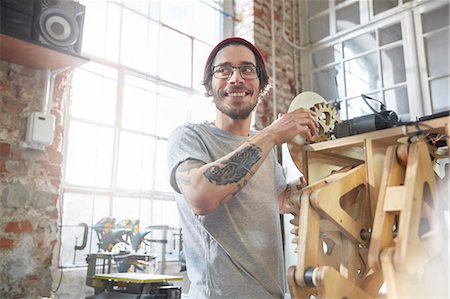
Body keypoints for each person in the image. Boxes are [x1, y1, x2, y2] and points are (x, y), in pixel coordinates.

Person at [167, 37, 319, 299]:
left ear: (261, 85)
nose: (236, 78)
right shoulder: (189, 136)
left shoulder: (265, 150)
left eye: (247, 70)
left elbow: (280, 201)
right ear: (210, 83)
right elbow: (201, 196)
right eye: (223, 70)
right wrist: (271, 135)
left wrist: (321, 176)